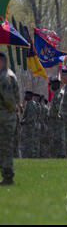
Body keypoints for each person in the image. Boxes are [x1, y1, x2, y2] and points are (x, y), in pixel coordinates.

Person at [0, 52, 20, 185]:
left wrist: (13, 108)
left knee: (5, 147)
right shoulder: (6, 75)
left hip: (5, 116)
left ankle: (8, 176)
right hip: (6, 115)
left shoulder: (5, 77)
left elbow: (8, 98)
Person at [48, 78, 65, 158]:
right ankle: (58, 154)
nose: (49, 87)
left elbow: (59, 109)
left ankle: (61, 155)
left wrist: (58, 118)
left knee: (59, 138)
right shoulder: (56, 94)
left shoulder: (58, 95)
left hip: (58, 121)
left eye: (50, 85)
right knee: (56, 138)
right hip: (55, 121)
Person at [20, 91, 38, 158]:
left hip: (29, 127)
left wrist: (23, 121)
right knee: (26, 143)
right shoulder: (28, 103)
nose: (25, 96)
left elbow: (30, 117)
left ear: (30, 96)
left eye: (26, 95)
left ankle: (29, 156)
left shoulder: (31, 104)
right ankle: (26, 156)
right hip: (27, 127)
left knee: (29, 143)